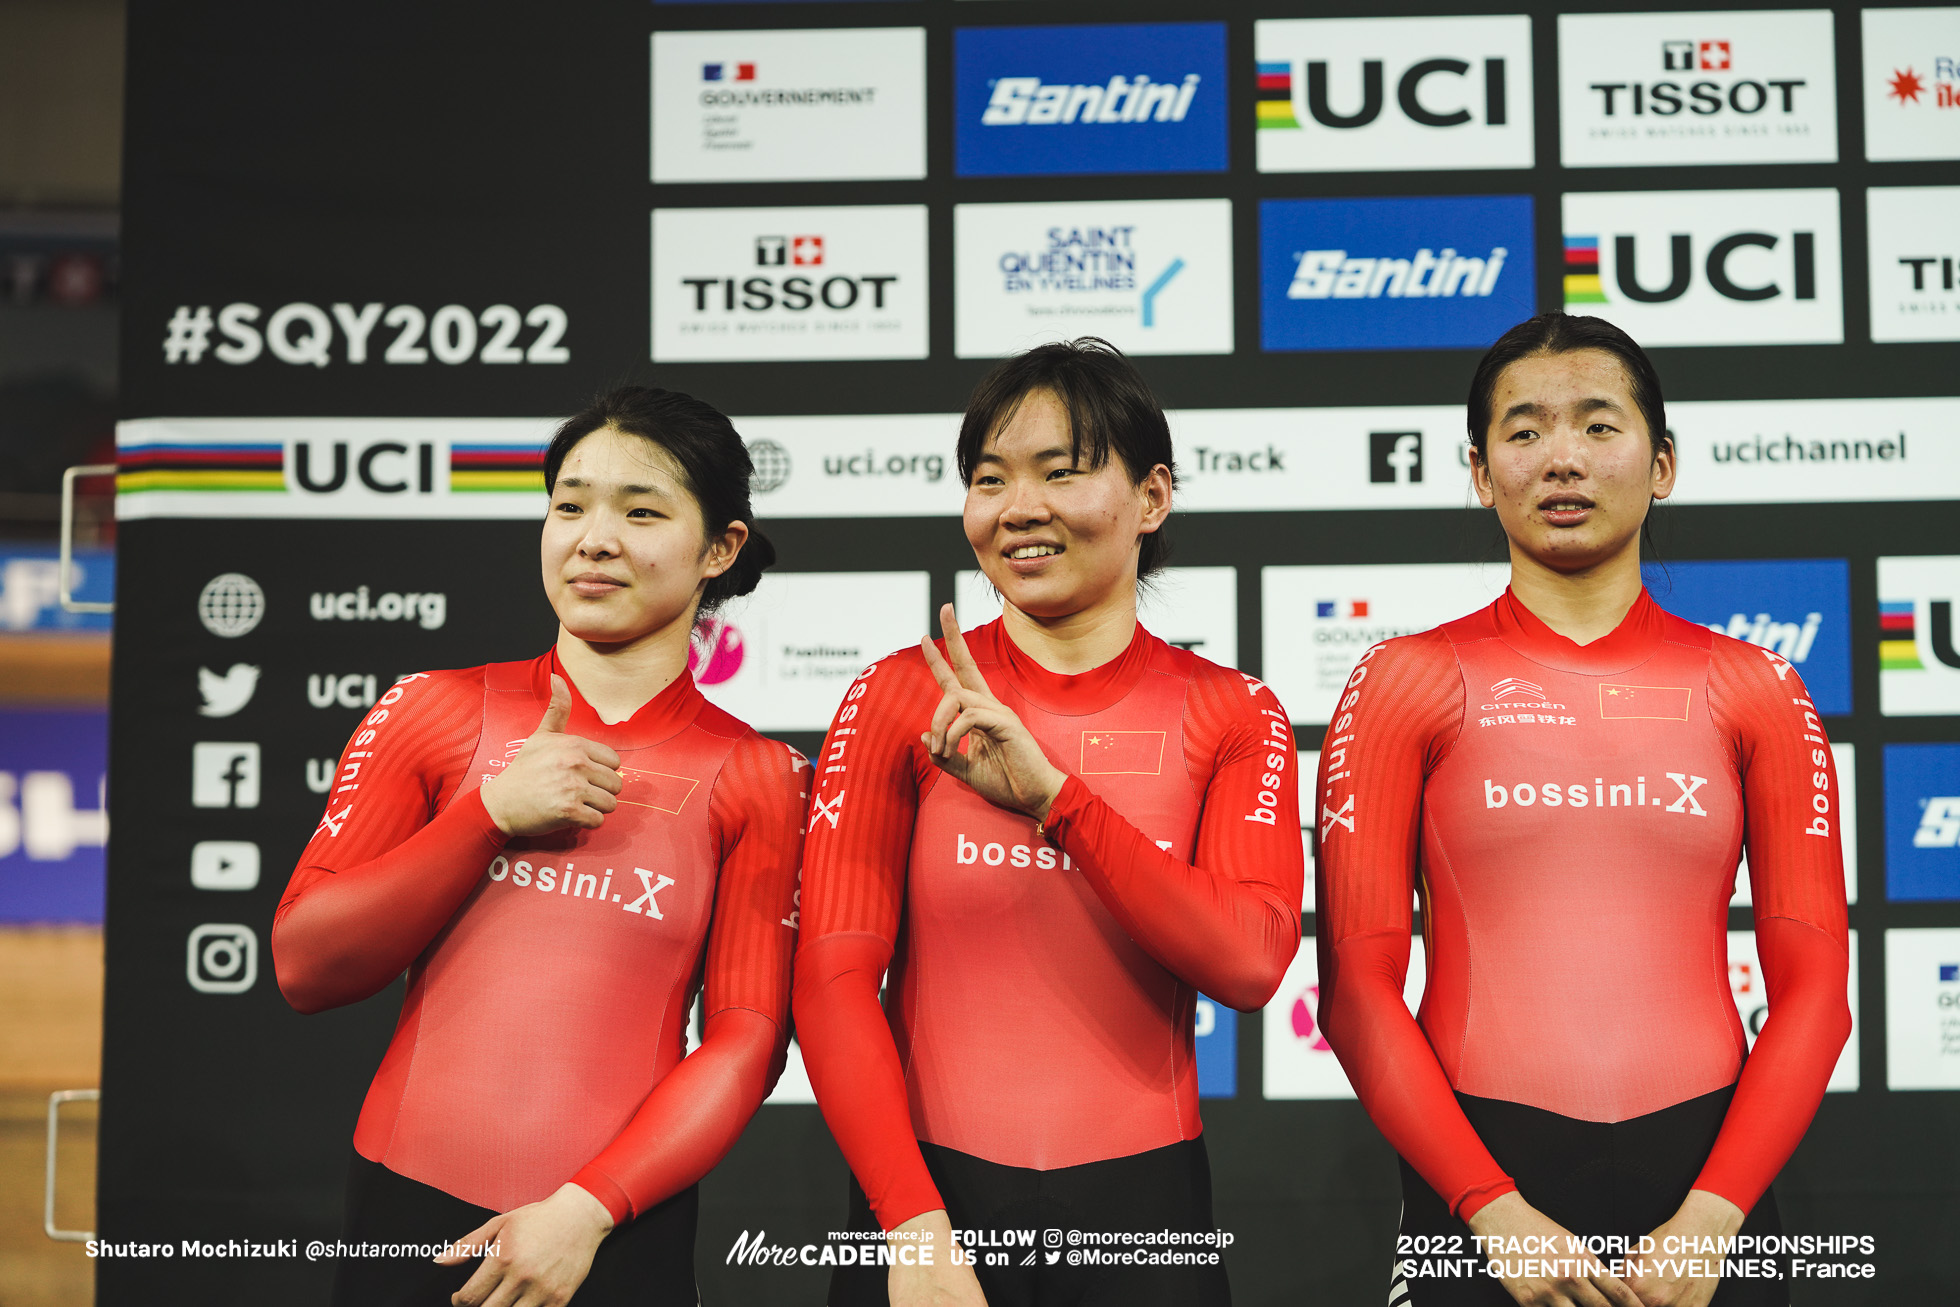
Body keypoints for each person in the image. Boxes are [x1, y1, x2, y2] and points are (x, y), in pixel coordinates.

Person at [1314, 314, 1852, 1307]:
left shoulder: (1755, 686)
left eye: (1599, 426)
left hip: (1707, 1194)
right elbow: (1355, 988)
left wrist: (1713, 1216)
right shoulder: (1405, 679)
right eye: (1523, 432)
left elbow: (1816, 988)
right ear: (1480, 472)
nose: (1561, 455)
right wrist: (1491, 1211)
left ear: (1663, 464)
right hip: (1478, 1191)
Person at [793, 338, 1304, 1307]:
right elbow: (830, 976)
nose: (1017, 508)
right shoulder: (903, 693)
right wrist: (912, 1223)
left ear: (1152, 496)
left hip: (1143, 1213)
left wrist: (1058, 805)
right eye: (988, 479)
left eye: (1060, 472)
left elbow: (1247, 962)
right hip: (927, 1205)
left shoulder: (1230, 710)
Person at [271, 386, 808, 1307]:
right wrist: (487, 815)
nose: (592, 537)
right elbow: (306, 964)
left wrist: (588, 1208)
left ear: (719, 547)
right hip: (407, 1217)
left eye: (641, 510)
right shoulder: (434, 711)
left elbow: (747, 1043)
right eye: (569, 505)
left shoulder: (759, 775)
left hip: (613, 1231)